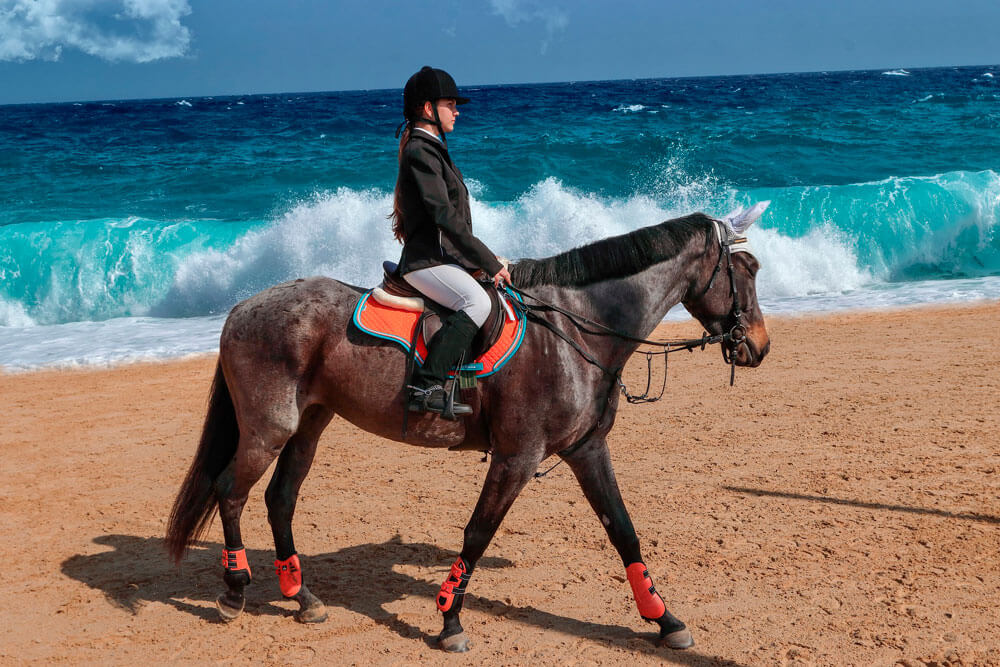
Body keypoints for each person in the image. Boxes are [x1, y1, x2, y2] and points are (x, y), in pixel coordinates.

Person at [390, 66, 512, 418]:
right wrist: (488, 263)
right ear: (428, 109)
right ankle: (424, 386)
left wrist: (479, 261)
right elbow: (444, 218)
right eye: (450, 104)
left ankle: (465, 381)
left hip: (441, 258)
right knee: (476, 303)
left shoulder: (432, 149)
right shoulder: (421, 151)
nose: (457, 110)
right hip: (425, 262)